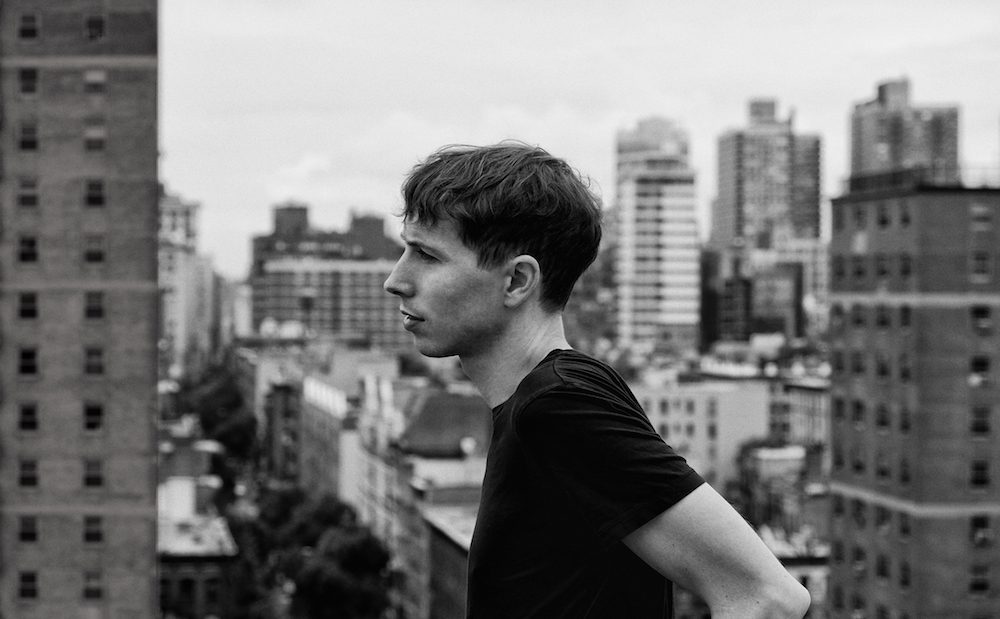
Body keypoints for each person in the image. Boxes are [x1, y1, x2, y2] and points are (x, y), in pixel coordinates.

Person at [384, 142, 811, 618]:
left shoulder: (560, 406)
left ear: (517, 282)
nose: (396, 279)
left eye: (426, 255)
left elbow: (768, 597)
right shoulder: (547, 401)